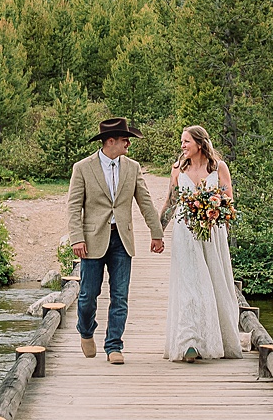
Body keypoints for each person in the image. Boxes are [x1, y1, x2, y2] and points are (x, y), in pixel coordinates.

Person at [65, 117, 163, 364]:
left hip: (122, 238)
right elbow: (73, 206)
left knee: (120, 295)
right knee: (88, 295)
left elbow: (145, 202)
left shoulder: (133, 167)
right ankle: (85, 331)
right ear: (111, 141)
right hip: (92, 239)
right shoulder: (83, 168)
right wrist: (76, 237)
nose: (128, 143)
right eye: (124, 139)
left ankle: (114, 346)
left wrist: (157, 232)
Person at [162, 124, 243, 363]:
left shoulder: (218, 168)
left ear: (199, 143)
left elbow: (229, 203)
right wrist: (157, 233)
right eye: (181, 142)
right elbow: (170, 202)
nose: (182, 146)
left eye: (186, 141)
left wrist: (215, 212)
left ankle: (216, 338)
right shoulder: (178, 169)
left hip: (212, 234)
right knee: (189, 285)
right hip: (184, 234)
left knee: (213, 283)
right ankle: (189, 342)